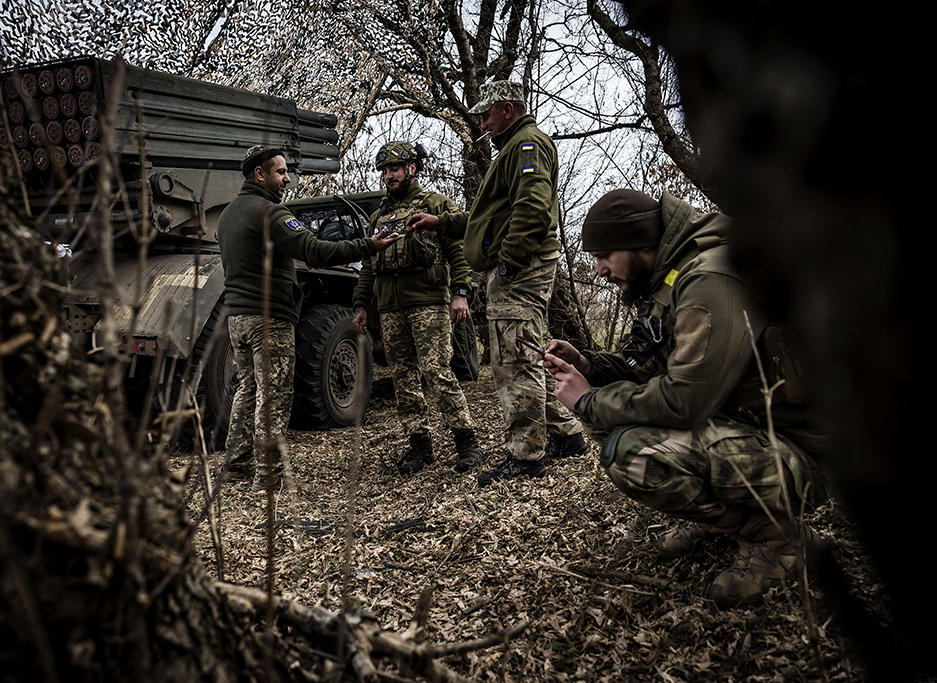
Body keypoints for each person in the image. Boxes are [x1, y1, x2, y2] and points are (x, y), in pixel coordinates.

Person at [543, 189, 828, 607]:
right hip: (753, 432)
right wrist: (589, 365)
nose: (600, 270)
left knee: (633, 452)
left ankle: (776, 537)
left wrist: (588, 401)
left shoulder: (710, 277)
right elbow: (648, 368)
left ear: (640, 241)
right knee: (619, 424)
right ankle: (733, 517)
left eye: (605, 255)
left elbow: (683, 401)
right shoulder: (669, 279)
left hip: (802, 457)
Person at [407, 80, 588, 486]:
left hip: (520, 267)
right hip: (520, 265)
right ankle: (566, 435)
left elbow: (533, 208)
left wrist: (509, 264)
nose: (483, 123)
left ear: (507, 109)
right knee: (527, 350)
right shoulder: (514, 147)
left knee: (514, 360)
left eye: (487, 114)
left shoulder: (526, 144)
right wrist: (443, 222)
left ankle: (525, 456)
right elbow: (492, 218)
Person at [217, 145, 398, 486]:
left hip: (237, 319)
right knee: (274, 395)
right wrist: (368, 245)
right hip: (269, 320)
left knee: (247, 391)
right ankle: (269, 476)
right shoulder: (271, 213)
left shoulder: (227, 216)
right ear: (260, 174)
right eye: (281, 172)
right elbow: (314, 251)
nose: (287, 179)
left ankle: (236, 467)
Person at [352, 141, 485, 475]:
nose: (389, 176)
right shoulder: (378, 216)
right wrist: (361, 304)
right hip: (390, 308)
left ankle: (466, 441)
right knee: (403, 378)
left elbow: (458, 252)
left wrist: (460, 293)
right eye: (385, 171)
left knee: (437, 372)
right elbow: (368, 265)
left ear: (412, 168)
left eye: (394, 169)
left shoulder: (436, 205)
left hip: (428, 303)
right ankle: (419, 446)